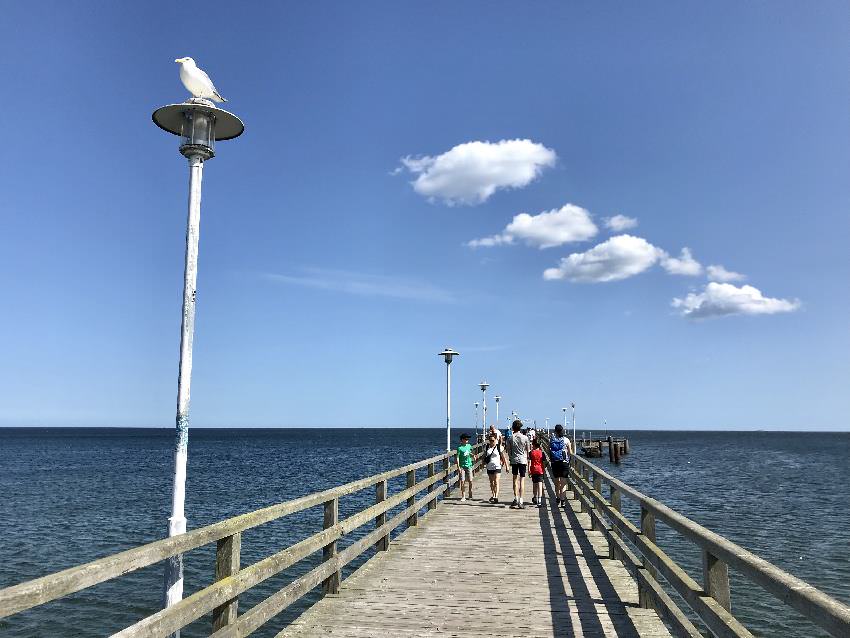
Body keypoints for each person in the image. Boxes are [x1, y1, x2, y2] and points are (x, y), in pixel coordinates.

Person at [506, 420, 530, 509]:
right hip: (523, 460)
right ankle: (521, 500)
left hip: (514, 460)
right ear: (520, 427)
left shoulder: (510, 438)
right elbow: (528, 451)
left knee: (515, 479)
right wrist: (528, 461)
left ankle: (515, 498)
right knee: (522, 480)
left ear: (513, 427)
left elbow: (508, 450)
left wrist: (510, 457)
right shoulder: (525, 438)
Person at [549, 424, 572, 507]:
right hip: (564, 462)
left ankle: (557, 497)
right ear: (562, 430)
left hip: (555, 462)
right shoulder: (566, 440)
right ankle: (563, 501)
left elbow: (549, 451)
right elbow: (570, 452)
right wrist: (569, 461)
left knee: (556, 482)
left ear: (555, 431)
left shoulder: (551, 440)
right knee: (563, 483)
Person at [483, 431, 509, 503]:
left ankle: (496, 497)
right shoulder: (487, 447)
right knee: (492, 482)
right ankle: (493, 494)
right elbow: (484, 456)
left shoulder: (499, 447)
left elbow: (503, 457)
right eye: (490, 440)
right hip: (489, 466)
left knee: (496, 481)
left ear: (496, 440)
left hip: (497, 466)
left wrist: (507, 466)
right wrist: (483, 463)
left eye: (493, 440)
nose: (491, 442)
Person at [456, 433, 474, 502]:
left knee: (470, 480)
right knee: (462, 481)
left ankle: (470, 492)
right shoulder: (459, 448)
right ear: (462, 440)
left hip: (469, 465)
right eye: (466, 439)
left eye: (468, 439)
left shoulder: (469, 446)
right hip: (462, 467)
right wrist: (458, 467)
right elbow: (457, 457)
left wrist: (473, 455)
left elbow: (469, 452)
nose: (467, 440)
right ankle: (463, 496)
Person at [529, 439, 544, 507]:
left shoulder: (531, 452)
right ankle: (540, 500)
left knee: (535, 484)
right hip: (540, 470)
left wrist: (529, 470)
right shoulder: (542, 453)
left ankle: (535, 497)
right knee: (540, 485)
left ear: (534, 445)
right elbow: (545, 461)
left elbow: (529, 461)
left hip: (533, 470)